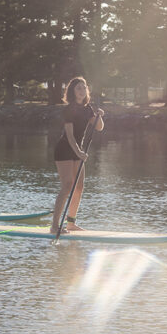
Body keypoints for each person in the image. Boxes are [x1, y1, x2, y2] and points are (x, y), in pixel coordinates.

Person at [50, 76, 104, 234]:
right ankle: (54, 226)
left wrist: (99, 115)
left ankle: (71, 223)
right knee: (67, 186)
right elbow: (70, 136)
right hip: (65, 149)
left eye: (84, 87)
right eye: (78, 88)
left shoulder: (88, 109)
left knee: (79, 188)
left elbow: (99, 127)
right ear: (73, 92)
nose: (82, 90)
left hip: (77, 151)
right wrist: (79, 152)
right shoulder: (69, 109)